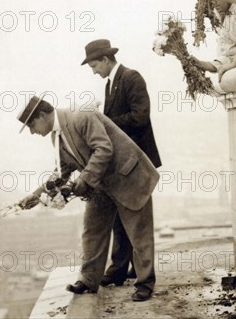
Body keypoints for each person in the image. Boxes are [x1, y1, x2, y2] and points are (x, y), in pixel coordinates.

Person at [18, 95, 159, 302]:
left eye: (31, 125)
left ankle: (145, 283)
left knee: (139, 233)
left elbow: (104, 149)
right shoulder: (56, 136)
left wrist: (84, 179)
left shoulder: (81, 116)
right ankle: (88, 280)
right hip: (100, 183)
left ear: (42, 115)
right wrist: (37, 195)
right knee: (91, 229)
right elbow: (62, 171)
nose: (32, 131)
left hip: (128, 177)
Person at [80, 39, 161, 288]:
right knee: (121, 219)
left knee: (137, 219)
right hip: (123, 164)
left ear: (105, 60)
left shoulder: (131, 78)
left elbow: (140, 116)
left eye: (94, 65)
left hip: (137, 163)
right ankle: (120, 269)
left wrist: (103, 120)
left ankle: (137, 273)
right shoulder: (110, 84)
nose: (94, 71)